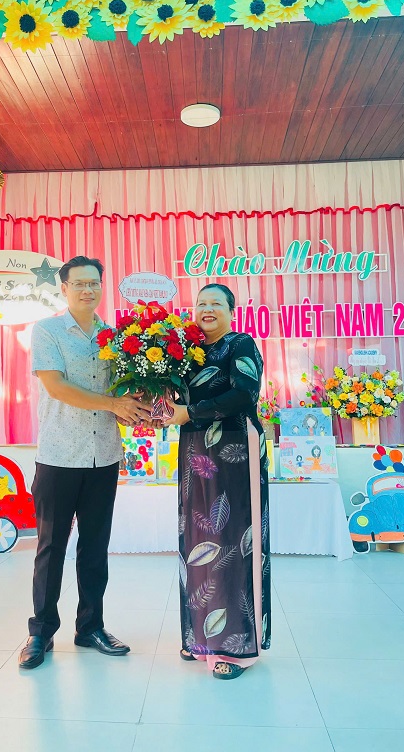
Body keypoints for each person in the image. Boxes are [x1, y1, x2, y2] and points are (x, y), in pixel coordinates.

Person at [19, 255, 151, 669]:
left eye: (94, 282)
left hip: (104, 455)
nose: (87, 289)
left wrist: (144, 404)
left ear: (101, 286)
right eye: (79, 283)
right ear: (64, 288)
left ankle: (91, 627)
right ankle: (40, 632)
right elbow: (57, 387)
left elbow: (126, 389)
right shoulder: (47, 331)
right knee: (51, 548)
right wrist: (113, 403)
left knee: (95, 548)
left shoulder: (116, 336)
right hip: (59, 455)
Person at [164, 284, 271, 680]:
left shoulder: (240, 344)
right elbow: (174, 399)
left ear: (231, 310)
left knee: (233, 542)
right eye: (200, 303)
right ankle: (201, 637)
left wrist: (190, 412)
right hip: (195, 449)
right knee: (198, 540)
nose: (206, 309)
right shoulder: (187, 351)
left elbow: (245, 395)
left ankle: (235, 647)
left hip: (235, 449)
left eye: (215, 304)